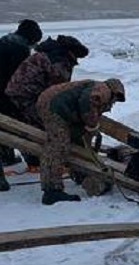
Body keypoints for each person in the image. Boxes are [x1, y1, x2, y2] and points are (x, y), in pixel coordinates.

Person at [36, 78, 125, 205]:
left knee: (74, 143)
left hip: (54, 104)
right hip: (54, 107)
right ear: (115, 91)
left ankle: (79, 175)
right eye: (115, 100)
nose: (114, 103)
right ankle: (52, 191)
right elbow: (86, 102)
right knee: (58, 147)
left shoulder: (96, 87)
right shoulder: (103, 90)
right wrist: (92, 124)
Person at [5, 34, 89, 170]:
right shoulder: (58, 61)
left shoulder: (49, 53)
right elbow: (57, 92)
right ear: (71, 53)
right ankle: (42, 160)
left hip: (19, 91)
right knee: (47, 124)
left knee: (31, 123)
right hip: (27, 95)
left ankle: (35, 159)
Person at [0, 19, 43, 192]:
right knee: (20, 127)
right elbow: (20, 81)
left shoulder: (3, 41)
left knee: (1, 130)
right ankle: (32, 160)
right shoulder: (20, 50)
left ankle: (8, 157)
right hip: (5, 96)